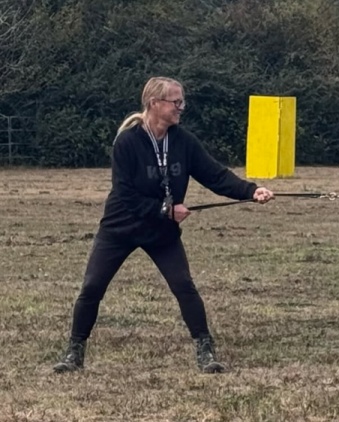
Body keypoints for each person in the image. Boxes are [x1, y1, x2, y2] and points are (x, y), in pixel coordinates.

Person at [52, 76, 274, 374]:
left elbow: (215, 175)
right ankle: (74, 352)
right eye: (175, 102)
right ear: (154, 103)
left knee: (183, 285)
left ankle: (205, 349)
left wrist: (251, 191)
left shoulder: (183, 141)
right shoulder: (127, 142)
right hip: (120, 228)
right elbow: (125, 194)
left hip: (161, 232)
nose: (181, 107)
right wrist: (166, 210)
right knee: (92, 286)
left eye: (182, 101)